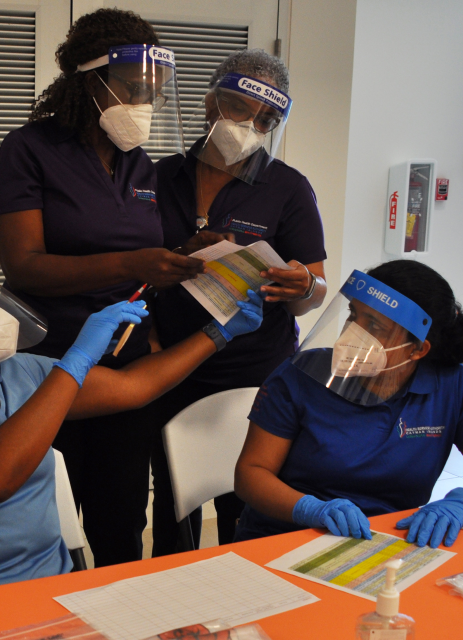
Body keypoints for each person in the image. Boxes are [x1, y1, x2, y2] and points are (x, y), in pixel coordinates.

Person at [0, 253, 263, 600]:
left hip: (51, 586)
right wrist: (74, 363)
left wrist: (220, 332)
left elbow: (133, 386)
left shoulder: (15, 373)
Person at [0, 9, 200, 566]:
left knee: (121, 518)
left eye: (151, 93)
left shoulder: (139, 164)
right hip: (50, 359)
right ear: (91, 81)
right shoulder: (28, 150)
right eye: (132, 91)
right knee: (50, 517)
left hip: (125, 363)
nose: (143, 106)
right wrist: (132, 262)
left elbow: (143, 262)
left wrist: (190, 259)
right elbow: (25, 267)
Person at [146, 49, 327, 555]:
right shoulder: (158, 178)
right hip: (170, 366)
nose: (247, 125)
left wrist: (303, 288)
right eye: (237, 107)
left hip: (253, 374)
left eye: (264, 118)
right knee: (173, 507)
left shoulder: (287, 189)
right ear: (209, 103)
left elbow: (315, 289)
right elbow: (132, 266)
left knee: (245, 508)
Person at [233, 260, 463, 548]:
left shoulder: (449, 386)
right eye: (353, 315)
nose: (354, 332)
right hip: (285, 537)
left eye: (374, 325)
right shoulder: (299, 377)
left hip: (387, 544)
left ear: (417, 349)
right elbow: (251, 474)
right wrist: (311, 509)